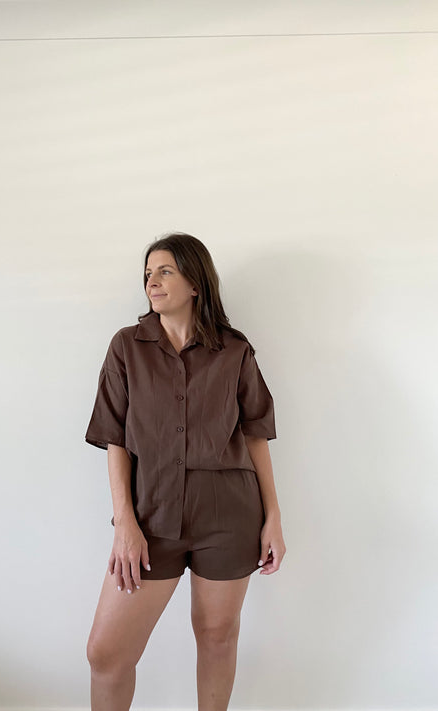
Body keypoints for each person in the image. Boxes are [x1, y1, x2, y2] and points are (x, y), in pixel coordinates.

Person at [84, 232, 286, 711]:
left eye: (165, 271)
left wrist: (273, 517)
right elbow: (115, 438)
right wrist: (124, 523)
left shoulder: (234, 351)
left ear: (195, 283)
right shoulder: (126, 347)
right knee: (106, 653)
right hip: (151, 520)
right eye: (148, 274)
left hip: (229, 516)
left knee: (217, 636)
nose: (152, 282)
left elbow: (254, 435)